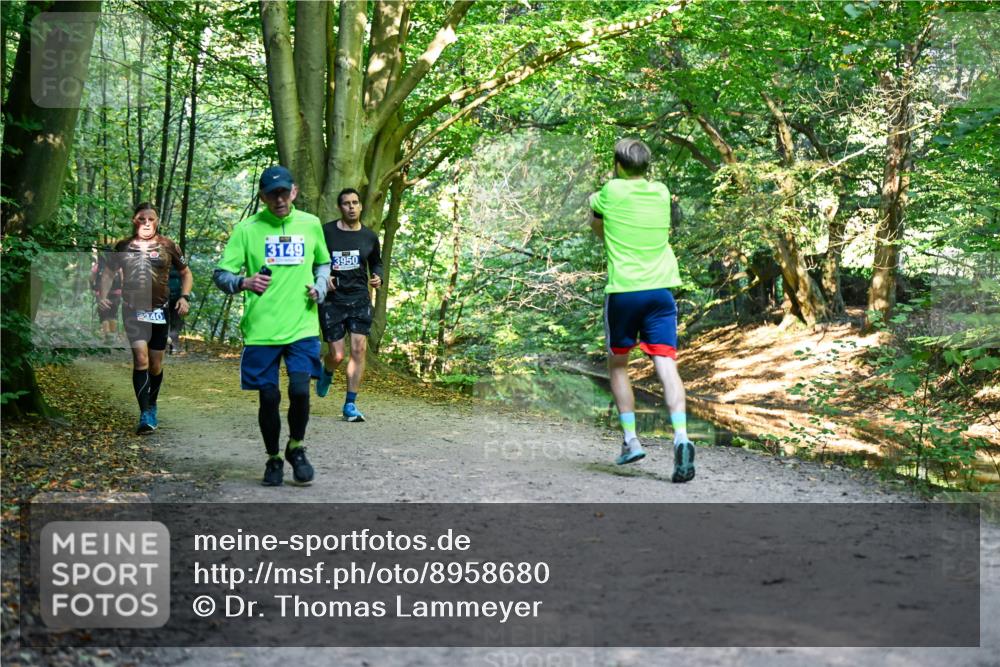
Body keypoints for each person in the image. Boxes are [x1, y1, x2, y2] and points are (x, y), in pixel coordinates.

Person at [213, 165, 330, 487]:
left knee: (299, 390)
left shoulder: (311, 224)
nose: (278, 199)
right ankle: (273, 458)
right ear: (262, 196)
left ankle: (296, 447)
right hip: (262, 328)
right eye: (271, 194)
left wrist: (320, 286)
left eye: (283, 192)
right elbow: (221, 275)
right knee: (268, 398)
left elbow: (323, 261)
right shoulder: (246, 229)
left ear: (293, 191)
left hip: (302, 325)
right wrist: (244, 281)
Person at [589, 138, 695, 483]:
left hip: (624, 293)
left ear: (617, 165)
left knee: (619, 365)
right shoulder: (661, 192)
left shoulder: (610, 191)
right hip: (661, 293)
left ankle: (631, 440)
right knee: (667, 366)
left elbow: (596, 223)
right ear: (646, 166)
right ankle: (681, 437)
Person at [99, 203, 193, 434]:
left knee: (155, 364)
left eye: (151, 219)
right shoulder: (123, 246)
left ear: (157, 221)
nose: (147, 223)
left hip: (159, 310)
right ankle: (145, 414)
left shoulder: (168, 245)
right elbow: (109, 272)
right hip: (132, 309)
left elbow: (185, 272)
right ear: (134, 221)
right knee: (141, 359)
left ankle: (152, 402)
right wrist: (103, 295)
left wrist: (184, 297)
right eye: (142, 219)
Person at [314, 188, 383, 423]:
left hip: (360, 298)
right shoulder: (326, 233)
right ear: (339, 207)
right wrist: (323, 277)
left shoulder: (370, 237)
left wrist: (377, 277)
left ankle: (350, 404)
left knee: (359, 349)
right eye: (346, 203)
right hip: (333, 301)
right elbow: (314, 260)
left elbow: (377, 263)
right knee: (337, 354)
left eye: (355, 203)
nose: (351, 207)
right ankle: (327, 370)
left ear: (361, 206)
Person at [91, 252, 122, 344]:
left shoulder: (97, 266)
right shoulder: (118, 266)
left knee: (103, 316)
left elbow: (91, 279)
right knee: (113, 314)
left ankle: (107, 335)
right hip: (116, 293)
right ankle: (112, 335)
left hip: (100, 293)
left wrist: (93, 288)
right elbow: (122, 279)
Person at [167, 266, 185, 354]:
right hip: (163, 298)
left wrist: (184, 297)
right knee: (164, 321)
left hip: (177, 298)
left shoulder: (180, 265)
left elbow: (185, 278)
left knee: (175, 322)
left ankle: (173, 345)